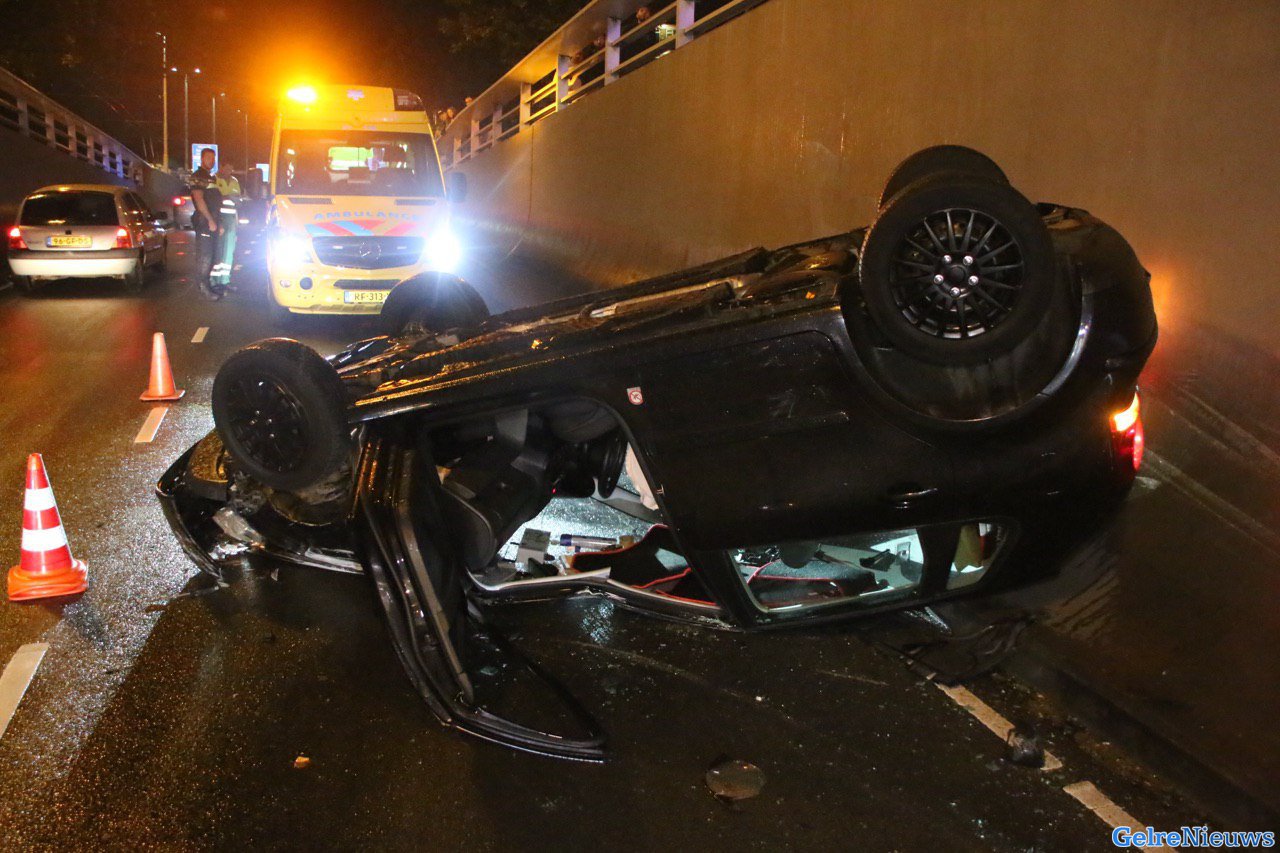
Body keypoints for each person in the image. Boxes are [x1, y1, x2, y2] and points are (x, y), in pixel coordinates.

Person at [187, 147, 225, 300]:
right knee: (205, 256)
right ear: (202, 159)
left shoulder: (211, 177)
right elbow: (199, 199)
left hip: (213, 219)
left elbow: (215, 201)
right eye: (208, 157)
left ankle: (208, 285)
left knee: (213, 254)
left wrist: (218, 222)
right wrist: (209, 220)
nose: (211, 160)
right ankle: (203, 288)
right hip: (204, 221)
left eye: (213, 158)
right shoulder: (198, 176)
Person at [211, 160, 242, 293]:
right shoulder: (214, 180)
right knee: (218, 251)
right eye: (227, 168)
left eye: (231, 169)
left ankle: (225, 281)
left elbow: (239, 200)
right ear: (221, 167)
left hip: (231, 220)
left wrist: (236, 201)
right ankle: (213, 281)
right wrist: (227, 196)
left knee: (229, 252)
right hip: (219, 219)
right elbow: (213, 199)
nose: (229, 172)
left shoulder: (234, 181)